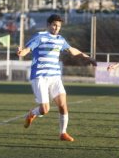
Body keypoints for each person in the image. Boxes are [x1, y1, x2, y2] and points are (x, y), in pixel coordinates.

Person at [17, 14, 97, 142]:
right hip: (40, 76)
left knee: (63, 105)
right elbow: (27, 49)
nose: (56, 28)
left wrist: (88, 58)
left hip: (55, 77)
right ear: (48, 25)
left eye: (58, 26)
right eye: (54, 25)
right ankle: (32, 113)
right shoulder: (40, 36)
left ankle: (63, 133)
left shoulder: (60, 39)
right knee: (44, 110)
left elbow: (72, 50)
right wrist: (21, 52)